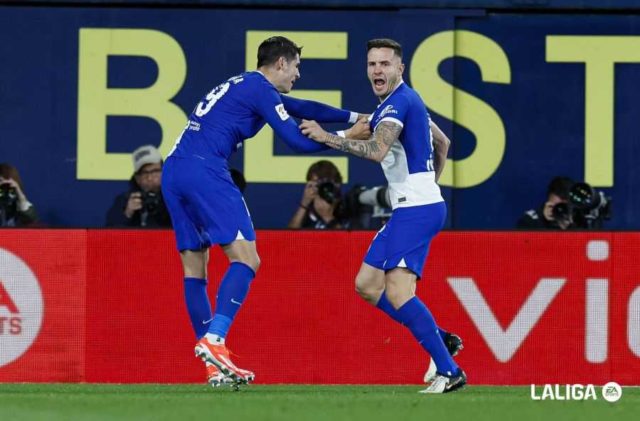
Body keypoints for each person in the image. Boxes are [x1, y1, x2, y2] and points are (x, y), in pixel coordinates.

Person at [161, 36, 368, 389]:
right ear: (282, 64)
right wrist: (349, 133)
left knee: (195, 267)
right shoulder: (259, 89)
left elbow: (304, 106)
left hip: (173, 170)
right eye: (297, 67)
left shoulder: (245, 84)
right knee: (247, 259)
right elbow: (299, 142)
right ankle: (216, 340)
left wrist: (355, 115)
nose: (298, 75)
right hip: (205, 170)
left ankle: (214, 367)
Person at [300, 38, 466, 393]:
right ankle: (440, 339)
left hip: (416, 208)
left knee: (399, 291)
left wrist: (327, 136)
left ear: (399, 68)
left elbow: (376, 151)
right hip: (413, 204)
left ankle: (449, 369)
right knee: (367, 284)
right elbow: (443, 144)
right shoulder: (408, 102)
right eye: (372, 64)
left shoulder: (398, 102)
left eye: (385, 64)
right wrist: (426, 184)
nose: (378, 70)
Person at [106, 145, 172, 228]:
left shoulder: (176, 199)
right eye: (144, 173)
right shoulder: (125, 201)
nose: (150, 177)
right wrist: (127, 214)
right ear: (137, 178)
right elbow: (109, 236)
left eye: (155, 171)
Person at [288, 160, 350, 229]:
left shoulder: (348, 208)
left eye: (327, 183)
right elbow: (290, 236)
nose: (324, 188)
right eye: (318, 183)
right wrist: (304, 204)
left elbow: (347, 239)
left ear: (338, 183)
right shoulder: (307, 211)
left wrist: (327, 216)